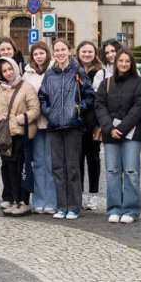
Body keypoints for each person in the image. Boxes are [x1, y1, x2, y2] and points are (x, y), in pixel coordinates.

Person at [39, 38, 95, 220]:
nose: (60, 53)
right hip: (55, 126)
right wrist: (49, 112)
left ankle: (74, 206)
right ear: (53, 52)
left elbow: (90, 96)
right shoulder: (50, 74)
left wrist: (77, 109)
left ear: (69, 51)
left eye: (63, 49)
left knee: (72, 167)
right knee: (58, 167)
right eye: (57, 50)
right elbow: (42, 97)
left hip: (73, 125)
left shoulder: (77, 71)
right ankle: (61, 205)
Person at [95, 48, 141, 224]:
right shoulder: (106, 83)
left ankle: (131, 209)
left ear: (131, 63)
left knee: (131, 171)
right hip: (110, 134)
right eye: (120, 61)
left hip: (132, 133)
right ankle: (114, 208)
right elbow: (99, 106)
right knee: (112, 171)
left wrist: (122, 128)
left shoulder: (139, 83)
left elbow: (139, 108)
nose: (123, 64)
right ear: (115, 63)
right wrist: (109, 128)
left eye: (127, 61)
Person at [0, 57, 40, 216]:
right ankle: (15, 200)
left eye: (10, 69)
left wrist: (18, 120)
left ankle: (24, 202)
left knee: (22, 168)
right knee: (10, 169)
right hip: (6, 136)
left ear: (15, 68)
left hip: (21, 134)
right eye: (4, 70)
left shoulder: (26, 87)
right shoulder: (0, 88)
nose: (8, 73)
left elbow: (35, 110)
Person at [23, 41, 56, 215]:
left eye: (42, 53)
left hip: (51, 122)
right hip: (34, 123)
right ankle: (39, 200)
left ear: (47, 54)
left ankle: (51, 200)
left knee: (50, 163)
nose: (39, 56)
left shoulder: (54, 70)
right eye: (36, 54)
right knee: (38, 163)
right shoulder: (27, 74)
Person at [76, 40, 103, 211]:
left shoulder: (100, 72)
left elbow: (102, 100)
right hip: (77, 122)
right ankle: (77, 193)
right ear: (78, 53)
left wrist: (100, 123)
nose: (86, 54)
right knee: (77, 160)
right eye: (83, 51)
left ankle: (93, 194)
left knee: (93, 159)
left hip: (93, 122)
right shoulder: (73, 71)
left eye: (90, 51)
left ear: (94, 53)